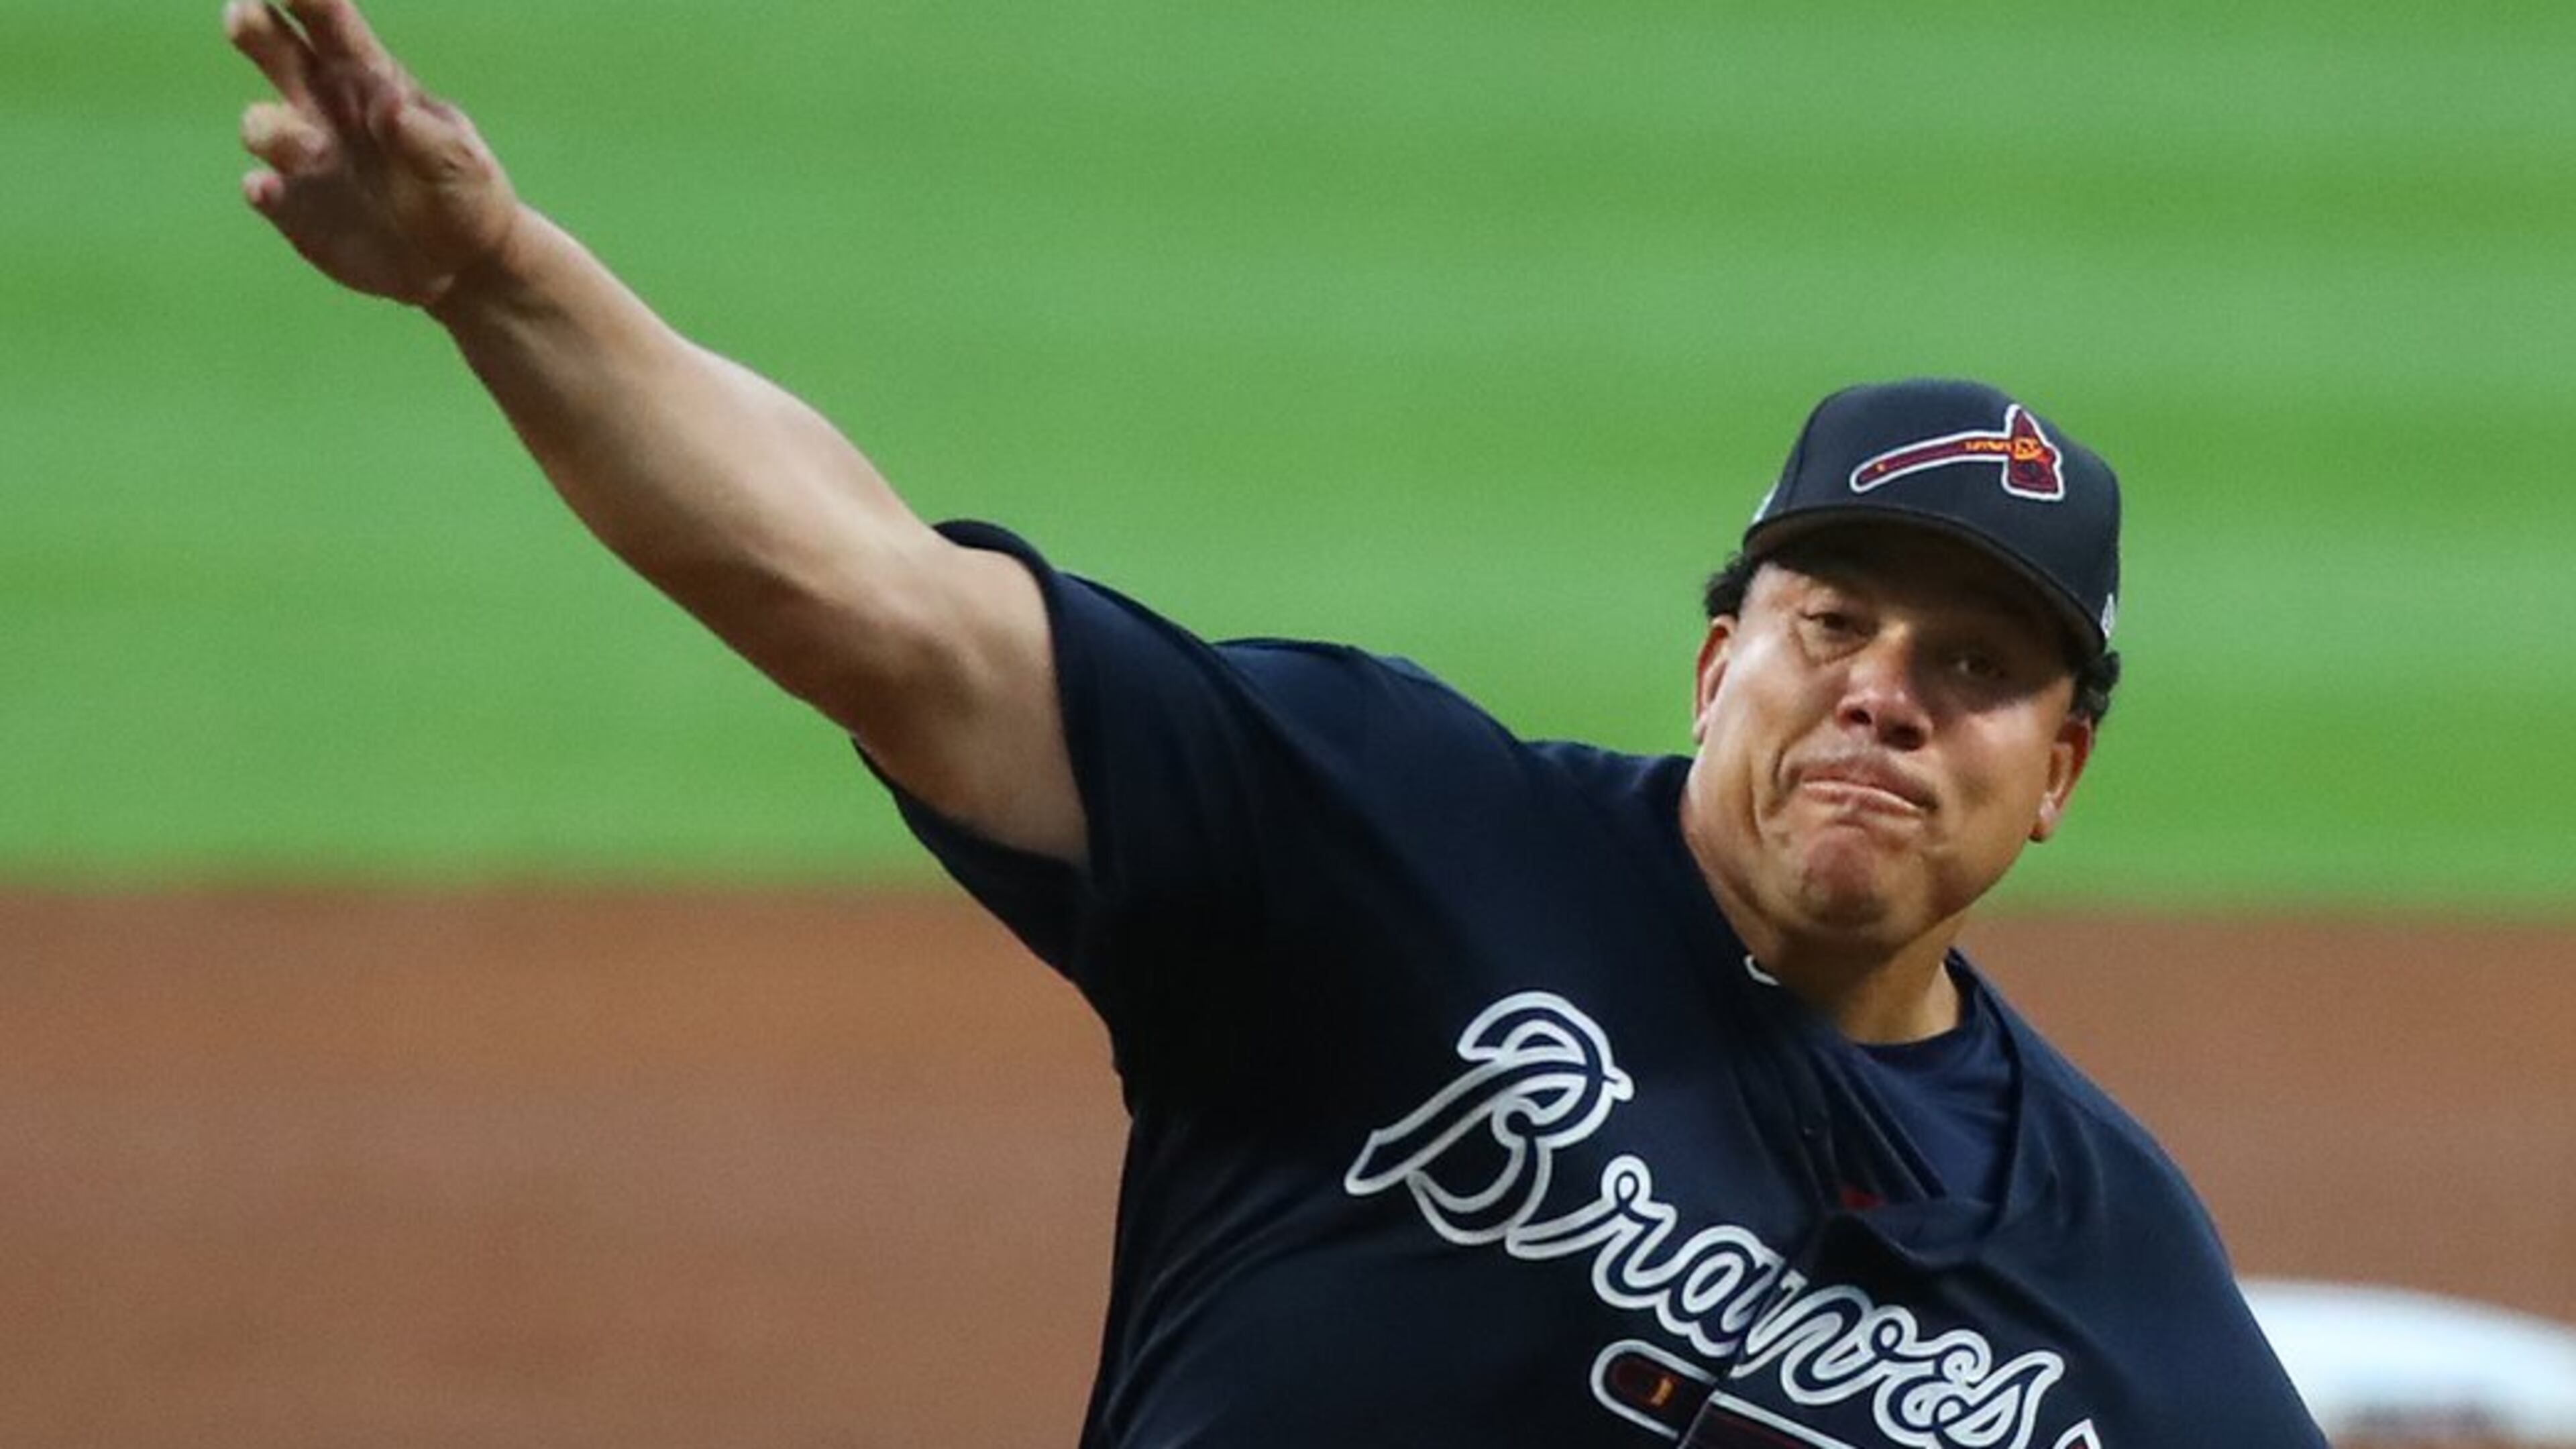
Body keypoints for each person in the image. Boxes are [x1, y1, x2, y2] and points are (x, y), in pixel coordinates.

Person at [225, 2, 2332, 1444]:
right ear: (1718, 669)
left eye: (1973, 668)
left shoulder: (2100, 1251)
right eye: (1833, 623)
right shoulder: (1392, 836)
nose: (1884, 691)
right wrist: (495, 276)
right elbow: (873, 604)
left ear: (2056, 777)